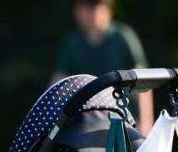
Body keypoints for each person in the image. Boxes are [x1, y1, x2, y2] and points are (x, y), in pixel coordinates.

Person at [52, 0, 154, 133]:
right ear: (77, 11)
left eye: (96, 6)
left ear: (108, 10)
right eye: (87, 7)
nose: (92, 13)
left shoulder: (123, 37)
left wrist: (146, 125)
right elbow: (58, 85)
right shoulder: (72, 42)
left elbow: (144, 85)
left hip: (125, 122)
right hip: (85, 125)